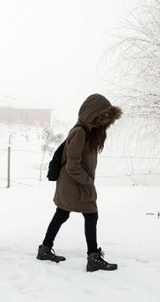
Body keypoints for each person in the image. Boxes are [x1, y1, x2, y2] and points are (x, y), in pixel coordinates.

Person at [36, 93, 122, 272]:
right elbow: (72, 165)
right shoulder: (80, 132)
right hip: (74, 184)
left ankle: (45, 249)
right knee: (91, 216)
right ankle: (93, 258)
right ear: (93, 114)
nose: (103, 123)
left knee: (62, 214)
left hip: (74, 184)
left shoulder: (87, 131)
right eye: (101, 118)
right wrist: (87, 181)